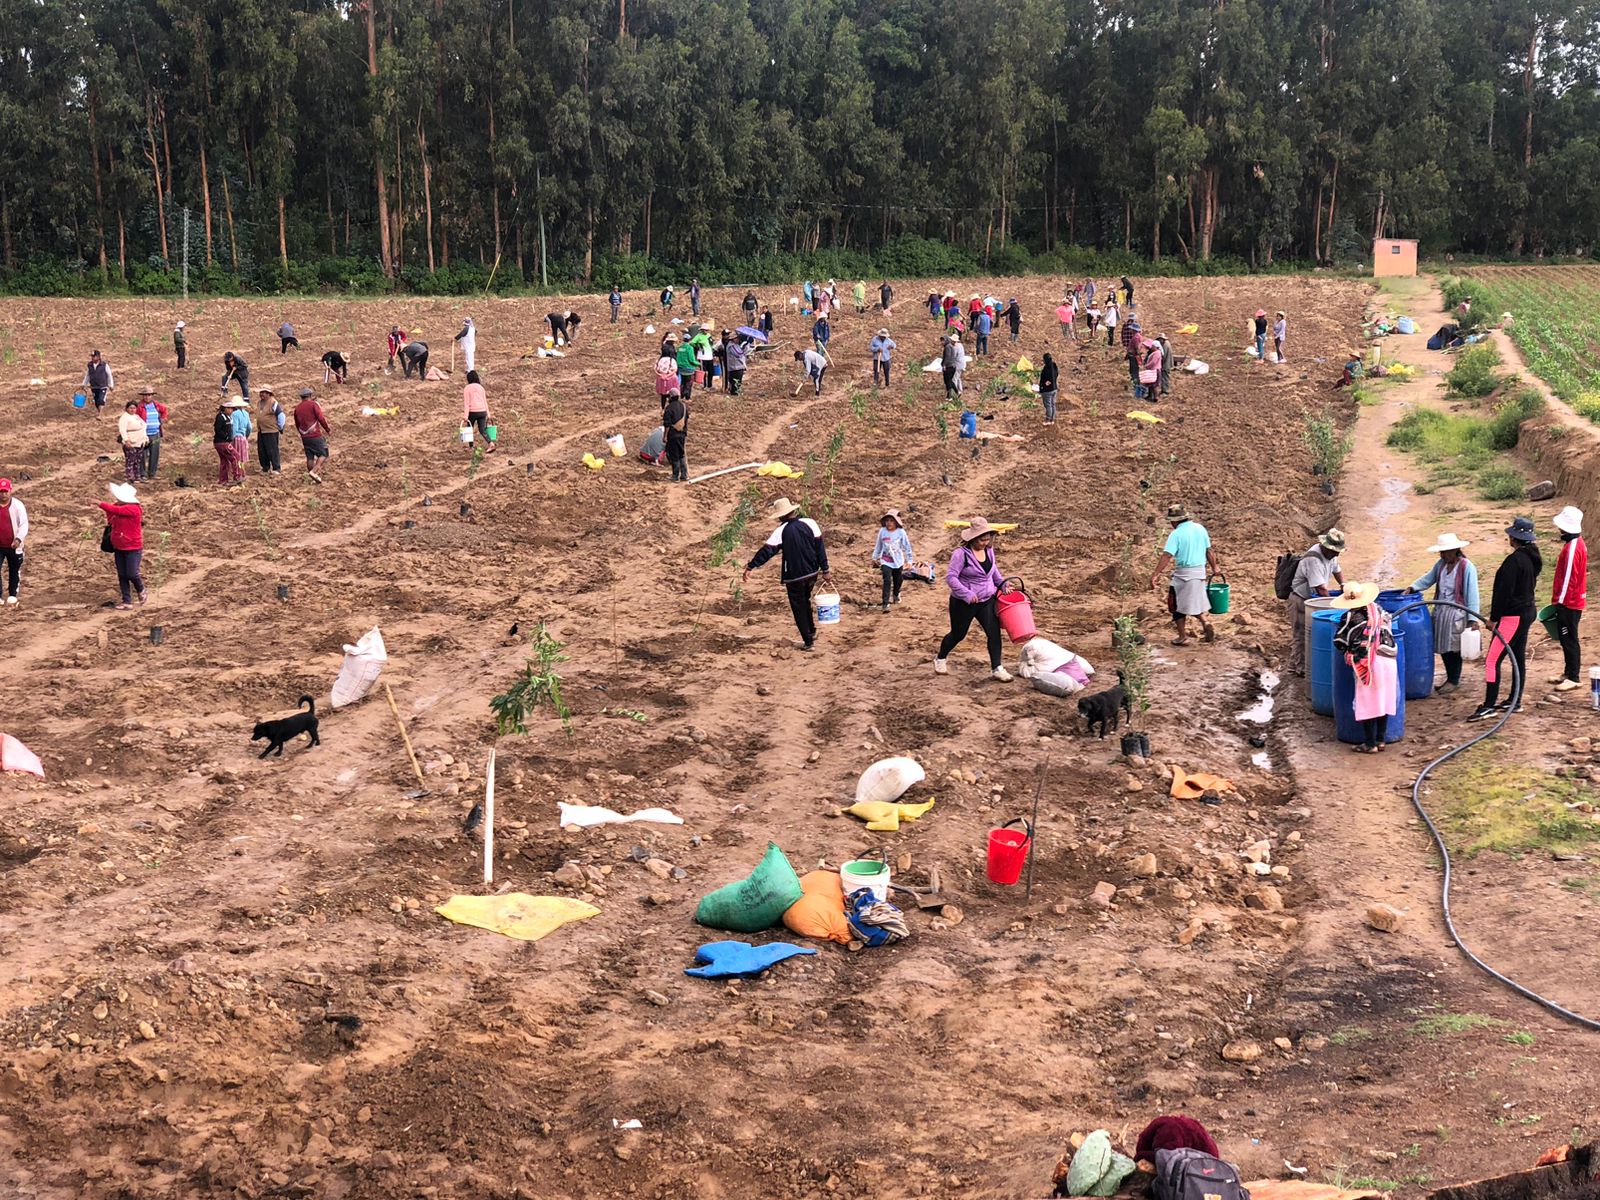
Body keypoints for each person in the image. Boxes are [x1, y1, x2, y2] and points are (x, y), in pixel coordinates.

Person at [1470, 517, 1542, 721]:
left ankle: (1489, 705)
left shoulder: (1514, 561)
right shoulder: (1532, 557)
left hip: (1513, 616)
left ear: (1515, 538)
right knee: (1517, 655)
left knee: (1492, 659)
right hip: (1528, 611)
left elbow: (1504, 593)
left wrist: (1494, 619)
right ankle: (1514, 699)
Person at [743, 497, 832, 651]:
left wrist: (751, 566)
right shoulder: (810, 523)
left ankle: (808, 641)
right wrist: (825, 569)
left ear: (781, 516)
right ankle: (811, 631)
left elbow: (767, 551)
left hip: (794, 576)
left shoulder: (781, 531)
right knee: (806, 600)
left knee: (798, 607)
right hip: (812, 572)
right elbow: (820, 548)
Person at [935, 519, 1012, 681]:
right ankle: (940, 658)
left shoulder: (989, 550)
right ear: (972, 538)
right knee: (958, 634)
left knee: (994, 633)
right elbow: (951, 578)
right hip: (964, 602)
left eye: (987, 538)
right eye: (981, 539)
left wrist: (1003, 584)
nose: (985, 542)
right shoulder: (961, 554)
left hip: (986, 600)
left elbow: (993, 572)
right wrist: (966, 594)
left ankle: (997, 668)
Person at [1403, 532, 1480, 694]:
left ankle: (1454, 679)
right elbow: (1428, 579)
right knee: (1443, 646)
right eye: (1442, 552)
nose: (1443, 555)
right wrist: (1413, 587)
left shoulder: (1466, 567)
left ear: (1455, 550)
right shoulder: (1441, 565)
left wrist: (1473, 618)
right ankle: (1450, 678)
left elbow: (1472, 593)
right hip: (1441, 611)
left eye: (1446, 552)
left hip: (1457, 613)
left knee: (1454, 647)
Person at [1333, 582, 1398, 753]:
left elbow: (1340, 642)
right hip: (1388, 659)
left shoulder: (1350, 617)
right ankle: (1381, 740)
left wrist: (1350, 652)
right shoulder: (1379, 611)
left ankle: (1370, 744)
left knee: (1368, 700)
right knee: (1383, 699)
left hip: (1369, 663)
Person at [1150, 503, 1220, 645]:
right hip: (1200, 572)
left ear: (1174, 521)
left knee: (1176, 605)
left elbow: (1167, 555)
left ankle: (1182, 637)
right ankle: (1205, 622)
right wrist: (1215, 568)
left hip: (1183, 575)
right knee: (1193, 603)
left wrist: (1155, 574)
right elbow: (1209, 551)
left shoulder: (1176, 534)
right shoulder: (1200, 529)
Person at [1286, 529, 1347, 676]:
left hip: (1312, 599)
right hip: (1300, 600)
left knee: (1311, 635)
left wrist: (1343, 585)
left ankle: (1303, 664)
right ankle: (1299, 669)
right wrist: (1335, 606)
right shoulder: (1313, 559)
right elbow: (1321, 589)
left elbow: (1336, 569)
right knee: (1301, 636)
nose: (1337, 554)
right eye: (1335, 551)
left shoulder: (1331, 554)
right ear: (1325, 546)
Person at [1549, 506, 1586, 691]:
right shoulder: (1576, 543)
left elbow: (1569, 578)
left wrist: (1559, 602)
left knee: (1569, 638)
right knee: (1566, 638)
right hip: (1571, 600)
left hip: (1569, 603)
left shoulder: (1572, 548)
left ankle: (1574, 676)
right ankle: (1568, 672)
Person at [98, 482, 145, 609]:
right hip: (119, 546)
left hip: (133, 547)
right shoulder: (121, 508)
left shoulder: (133, 509)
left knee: (131, 573)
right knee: (122, 574)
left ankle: (141, 589)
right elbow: (111, 517)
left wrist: (100, 504)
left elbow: (115, 510)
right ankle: (126, 601)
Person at [873, 509, 912, 613]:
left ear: (896, 522)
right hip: (886, 560)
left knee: (898, 579)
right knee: (887, 580)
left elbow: (907, 547)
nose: (889, 523)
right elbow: (879, 545)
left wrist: (909, 560)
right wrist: (875, 557)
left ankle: (896, 593)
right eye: (887, 521)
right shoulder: (882, 531)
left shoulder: (901, 532)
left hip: (898, 561)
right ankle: (885, 603)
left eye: (891, 520)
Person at [295, 387, 332, 482]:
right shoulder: (313, 405)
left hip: (305, 436)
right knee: (323, 454)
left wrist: (301, 433)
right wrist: (327, 429)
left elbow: (297, 424)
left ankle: (312, 477)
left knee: (310, 456)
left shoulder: (297, 408)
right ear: (310, 396)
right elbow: (321, 418)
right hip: (315, 435)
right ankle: (314, 471)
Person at [0, 479, 25, 604]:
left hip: (14, 545)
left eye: (6, 491)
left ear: (10, 491)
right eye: (1, 491)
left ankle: (12, 594)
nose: (3, 494)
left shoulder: (18, 505)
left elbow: (24, 524)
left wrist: (18, 539)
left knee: (14, 569)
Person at [137, 386, 166, 481]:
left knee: (154, 454)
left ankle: (152, 473)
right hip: (144, 434)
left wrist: (162, 419)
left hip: (155, 433)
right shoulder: (139, 406)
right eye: (145, 395)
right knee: (142, 454)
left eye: (149, 395)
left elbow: (164, 411)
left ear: (152, 396)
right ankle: (142, 474)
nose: (147, 397)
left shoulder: (156, 405)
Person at [116, 399, 148, 484]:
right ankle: (130, 477)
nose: (132, 410)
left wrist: (145, 437)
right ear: (127, 408)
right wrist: (126, 440)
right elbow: (122, 430)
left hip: (139, 442)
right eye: (131, 408)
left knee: (137, 460)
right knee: (131, 460)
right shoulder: (125, 417)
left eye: (134, 408)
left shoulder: (137, 417)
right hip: (131, 442)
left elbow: (144, 425)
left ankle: (137, 476)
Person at [256, 386, 285, 474]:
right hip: (261, 430)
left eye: (264, 392)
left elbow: (281, 416)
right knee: (262, 450)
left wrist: (280, 427)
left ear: (269, 394)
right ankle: (265, 467)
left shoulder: (273, 402)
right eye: (261, 392)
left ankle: (276, 468)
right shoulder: (259, 403)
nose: (262, 394)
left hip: (271, 430)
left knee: (272, 450)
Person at [662, 387, 689, 482]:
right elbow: (686, 420)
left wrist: (665, 436)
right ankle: (684, 475)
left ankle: (675, 475)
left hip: (673, 435)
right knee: (682, 454)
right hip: (682, 434)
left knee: (674, 455)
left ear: (671, 397)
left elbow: (667, 424)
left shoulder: (669, 408)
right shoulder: (684, 406)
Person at [463, 370, 491, 451]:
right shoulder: (481, 388)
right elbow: (485, 401)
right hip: (482, 411)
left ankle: (471, 447)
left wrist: (465, 415)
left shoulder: (467, 388)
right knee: (482, 429)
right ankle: (490, 443)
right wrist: (488, 413)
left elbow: (467, 403)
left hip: (472, 412)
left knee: (469, 428)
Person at [227, 397, 252, 484]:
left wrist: (231, 439)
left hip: (237, 438)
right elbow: (249, 427)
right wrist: (246, 436)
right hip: (243, 437)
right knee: (242, 457)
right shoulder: (246, 413)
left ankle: (239, 474)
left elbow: (234, 428)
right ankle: (243, 473)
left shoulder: (235, 414)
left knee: (236, 457)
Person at [82, 349, 114, 416]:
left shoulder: (104, 365)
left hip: (103, 386)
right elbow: (87, 375)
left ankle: (100, 415)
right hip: (94, 386)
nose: (92, 358)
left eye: (94, 356)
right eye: (92, 356)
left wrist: (111, 385)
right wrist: (84, 384)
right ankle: (101, 414)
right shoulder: (90, 365)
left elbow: (109, 375)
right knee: (96, 402)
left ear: (99, 357)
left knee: (101, 400)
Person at [212, 400, 236, 486]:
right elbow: (217, 429)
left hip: (222, 442)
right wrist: (225, 437)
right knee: (235, 457)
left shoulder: (227, 417)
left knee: (224, 461)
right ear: (225, 408)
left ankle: (223, 480)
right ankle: (237, 476)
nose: (231, 410)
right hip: (222, 442)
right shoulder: (221, 417)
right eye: (229, 408)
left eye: (232, 409)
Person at [676, 332, 703, 400]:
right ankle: (687, 397)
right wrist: (698, 364)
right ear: (689, 340)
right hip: (689, 369)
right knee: (688, 383)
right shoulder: (690, 348)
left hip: (681, 369)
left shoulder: (679, 348)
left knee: (682, 382)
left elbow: (677, 358)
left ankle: (682, 395)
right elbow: (691, 360)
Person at [1137, 335, 1163, 401]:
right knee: (1151, 384)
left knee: (1155, 385)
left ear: (1156, 347)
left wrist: (1146, 366)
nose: (1151, 347)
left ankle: (1155, 398)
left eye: (1153, 346)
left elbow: (1153, 362)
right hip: (1153, 370)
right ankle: (1150, 396)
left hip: (1155, 370)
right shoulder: (1155, 352)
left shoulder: (1157, 353)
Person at [1038, 353, 1059, 425]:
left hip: (1047, 390)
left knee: (1048, 405)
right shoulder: (1054, 366)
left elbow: (1044, 380)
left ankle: (1048, 420)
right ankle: (1052, 419)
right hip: (1054, 388)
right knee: (1053, 404)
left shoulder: (1046, 369)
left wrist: (1042, 388)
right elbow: (1055, 375)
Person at [941, 332, 962, 402]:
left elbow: (947, 357)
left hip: (949, 367)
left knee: (948, 382)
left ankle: (952, 395)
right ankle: (953, 394)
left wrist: (944, 365)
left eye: (943, 340)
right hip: (952, 366)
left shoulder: (947, 347)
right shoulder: (950, 346)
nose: (942, 342)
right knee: (949, 381)